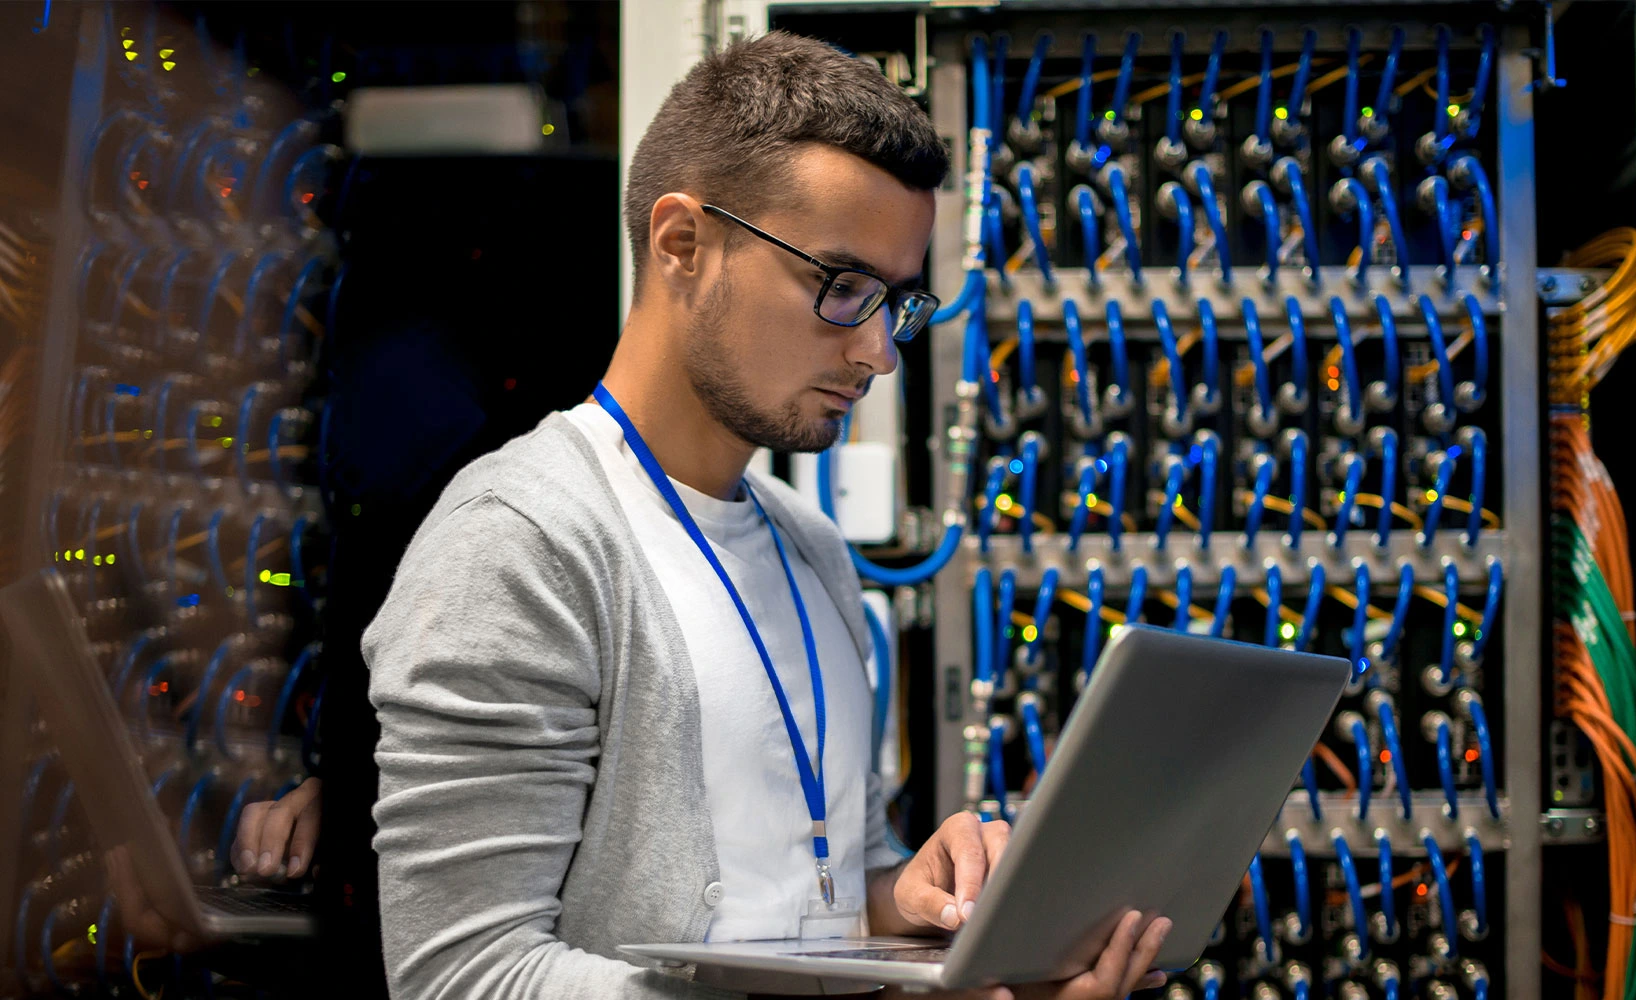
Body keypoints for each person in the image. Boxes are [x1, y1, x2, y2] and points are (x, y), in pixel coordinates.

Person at [362, 30, 1171, 1000]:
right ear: (682, 245)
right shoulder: (519, 540)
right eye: (840, 287)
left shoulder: (811, 547)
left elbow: (809, 897)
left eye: (895, 302)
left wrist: (909, 900)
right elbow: (460, 972)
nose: (877, 352)